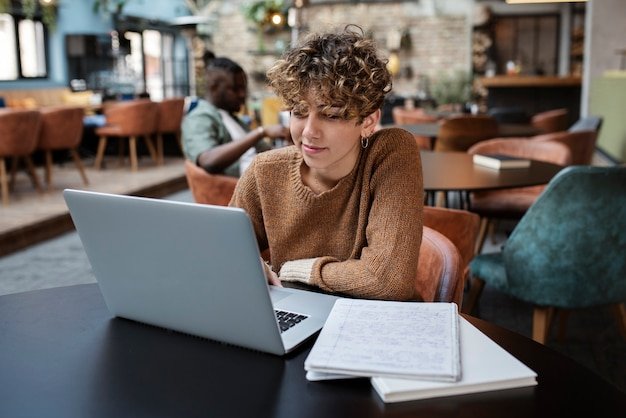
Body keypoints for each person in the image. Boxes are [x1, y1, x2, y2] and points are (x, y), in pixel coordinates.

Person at [230, 26, 424, 301]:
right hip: (299, 316)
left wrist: (295, 271)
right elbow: (225, 257)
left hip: (376, 326)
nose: (309, 131)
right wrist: (250, 267)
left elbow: (388, 281)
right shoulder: (265, 172)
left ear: (368, 121)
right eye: (299, 112)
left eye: (331, 115)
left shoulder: (391, 153)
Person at [182, 57, 288, 177]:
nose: (243, 94)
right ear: (214, 87)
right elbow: (208, 161)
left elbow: (267, 150)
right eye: (235, 89)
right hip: (237, 190)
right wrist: (261, 132)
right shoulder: (199, 117)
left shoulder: (234, 119)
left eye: (244, 88)